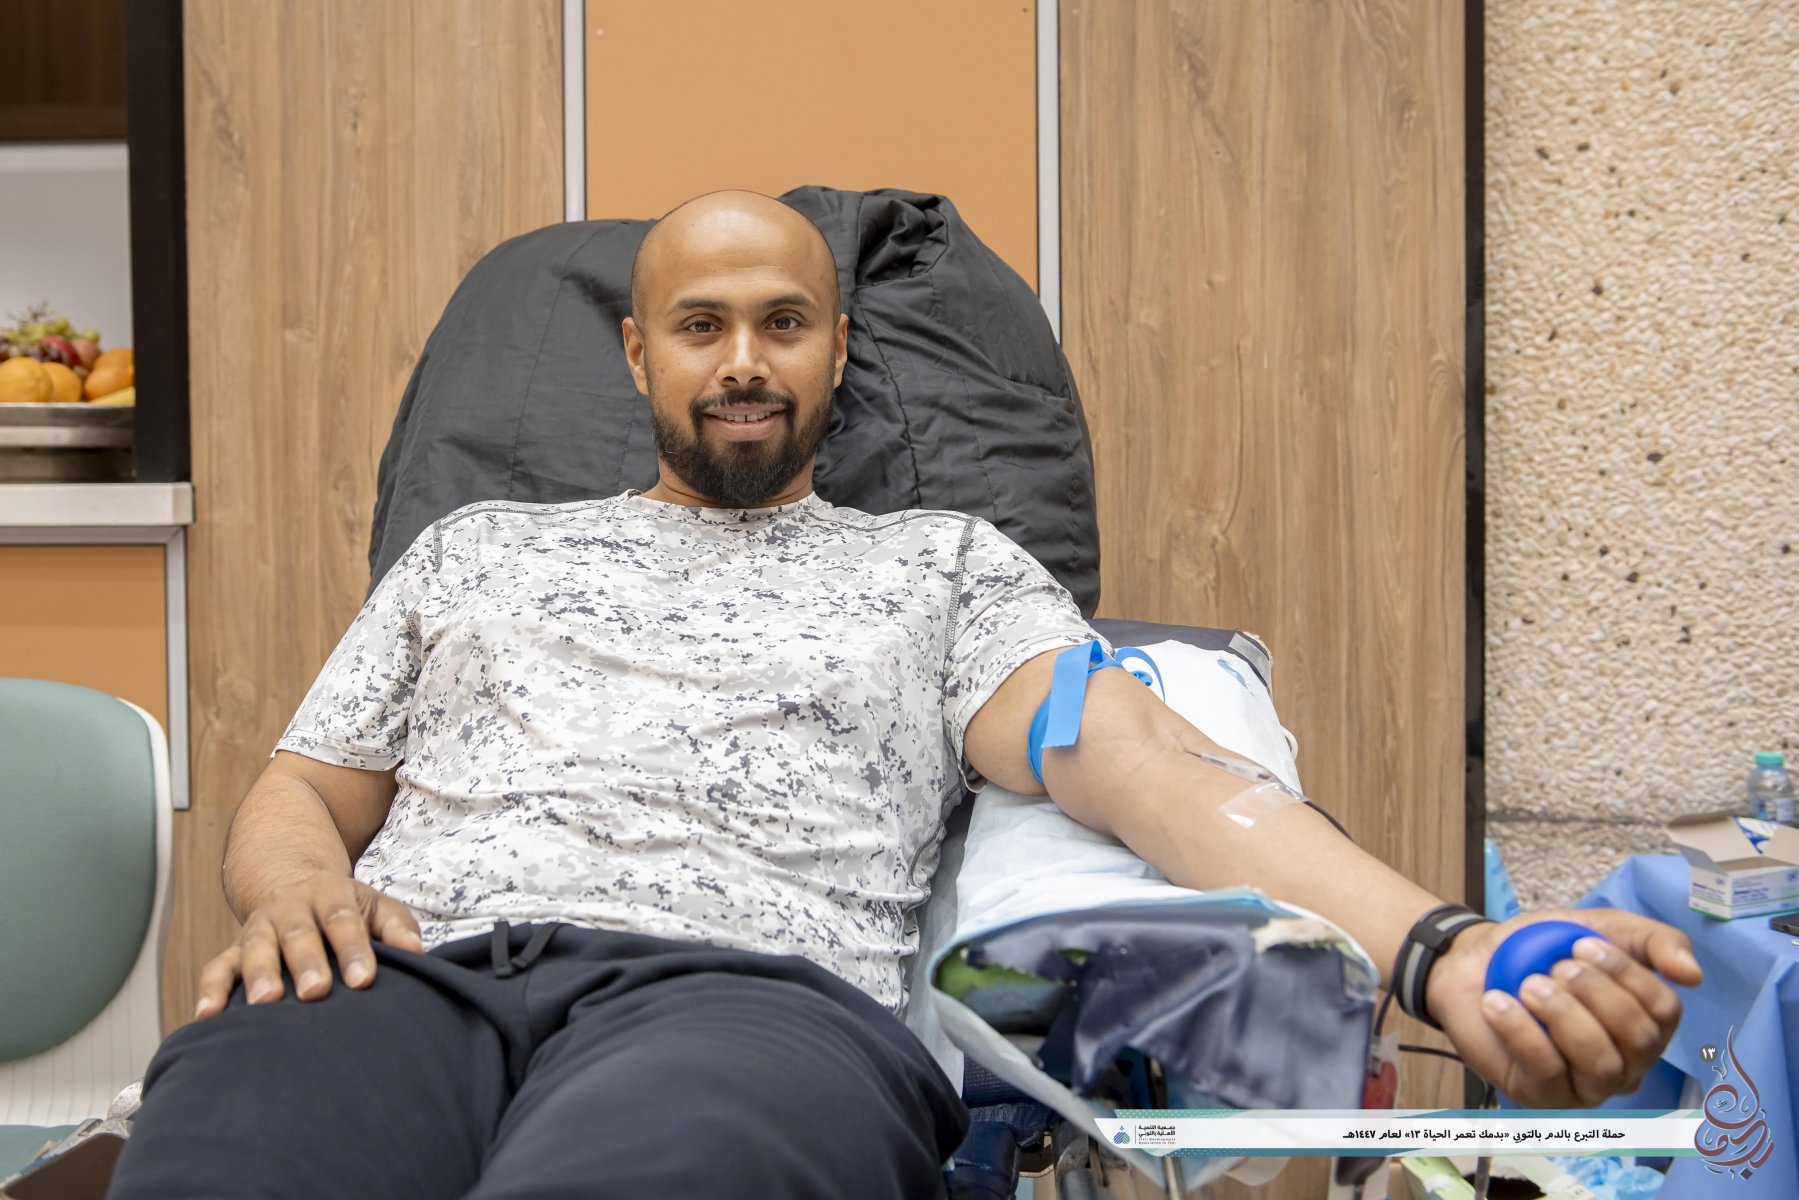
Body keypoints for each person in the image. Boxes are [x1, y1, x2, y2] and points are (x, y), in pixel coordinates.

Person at [107, 191, 1701, 1200]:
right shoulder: (475, 550)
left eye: (784, 323)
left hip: (742, 1002)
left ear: (839, 350)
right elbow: (304, 786)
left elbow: (1149, 764)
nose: (745, 359)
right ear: (638, 357)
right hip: (402, 981)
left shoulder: (943, 570)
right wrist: (298, 890)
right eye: (702, 326)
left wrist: (1439, 948)